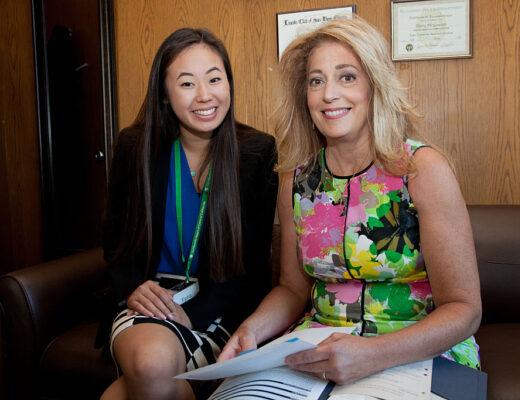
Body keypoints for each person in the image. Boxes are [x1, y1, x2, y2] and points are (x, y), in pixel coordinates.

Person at [219, 17, 481, 384]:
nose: (329, 94)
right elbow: (293, 289)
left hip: (423, 352)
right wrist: (252, 331)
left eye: (347, 76)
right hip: (321, 349)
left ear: (374, 86)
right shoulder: (295, 178)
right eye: (316, 80)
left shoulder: (421, 169)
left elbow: (464, 310)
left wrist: (372, 355)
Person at [99, 28, 278, 399]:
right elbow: (115, 242)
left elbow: (253, 262)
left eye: (215, 79)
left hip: (221, 306)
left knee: (136, 386)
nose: (205, 95)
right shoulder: (135, 148)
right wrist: (133, 287)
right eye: (186, 83)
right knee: (151, 362)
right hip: (152, 300)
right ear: (165, 94)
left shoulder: (256, 151)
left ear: (229, 83)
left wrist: (196, 314)